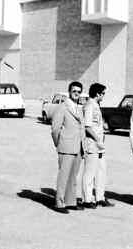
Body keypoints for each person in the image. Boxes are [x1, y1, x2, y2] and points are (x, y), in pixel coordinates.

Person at [50, 81, 85, 214]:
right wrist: (59, 143)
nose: (76, 93)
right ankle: (59, 203)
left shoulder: (79, 107)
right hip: (65, 146)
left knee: (73, 176)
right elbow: (55, 128)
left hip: (78, 147)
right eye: (74, 91)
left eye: (78, 91)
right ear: (69, 92)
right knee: (63, 176)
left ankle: (71, 202)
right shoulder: (63, 107)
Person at [80, 83, 112, 208]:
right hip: (92, 144)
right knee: (90, 172)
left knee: (101, 171)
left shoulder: (96, 105)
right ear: (97, 93)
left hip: (99, 145)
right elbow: (87, 126)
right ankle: (87, 199)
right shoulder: (89, 105)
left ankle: (100, 197)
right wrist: (98, 139)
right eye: (103, 93)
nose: (103, 96)